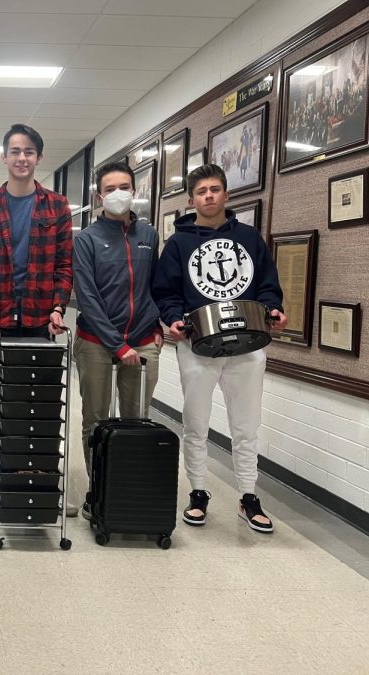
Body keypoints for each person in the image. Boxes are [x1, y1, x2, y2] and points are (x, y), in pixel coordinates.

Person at [152, 163, 287, 533]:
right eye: (201, 191)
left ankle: (248, 496)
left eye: (214, 189)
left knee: (246, 426)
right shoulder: (179, 243)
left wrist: (273, 308)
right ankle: (198, 493)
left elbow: (267, 285)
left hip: (247, 346)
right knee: (195, 423)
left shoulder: (249, 238)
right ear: (192, 199)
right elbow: (166, 290)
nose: (208, 196)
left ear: (226, 195)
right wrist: (174, 318)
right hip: (198, 345)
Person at [0, 123, 74, 514]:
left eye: (29, 152)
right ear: (3, 158)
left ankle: (39, 486)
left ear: (38, 158)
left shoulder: (56, 207)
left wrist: (58, 306)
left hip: (42, 320)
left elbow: (64, 266)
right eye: (15, 151)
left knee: (39, 406)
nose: (21, 158)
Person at [71, 161, 163, 520]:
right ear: (99, 196)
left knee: (136, 419)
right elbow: (88, 297)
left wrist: (154, 331)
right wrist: (116, 344)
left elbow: (156, 285)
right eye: (110, 189)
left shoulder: (149, 236)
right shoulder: (87, 240)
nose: (118, 194)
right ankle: (100, 489)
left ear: (135, 191)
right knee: (95, 419)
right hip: (96, 341)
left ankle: (129, 490)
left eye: (124, 186)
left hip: (142, 340)